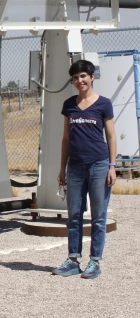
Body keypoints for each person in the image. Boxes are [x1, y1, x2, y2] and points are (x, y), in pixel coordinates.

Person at [52, 59, 117, 279]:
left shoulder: (104, 104)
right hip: (76, 168)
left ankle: (95, 261)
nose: (79, 80)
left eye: (83, 76)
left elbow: (111, 136)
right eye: (75, 77)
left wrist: (112, 166)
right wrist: (62, 168)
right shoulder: (69, 105)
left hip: (99, 165)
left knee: (98, 216)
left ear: (92, 77)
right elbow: (65, 139)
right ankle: (73, 260)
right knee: (74, 215)